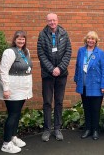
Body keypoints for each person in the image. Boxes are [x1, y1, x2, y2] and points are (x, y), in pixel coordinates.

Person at [37, 13, 72, 142]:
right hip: (47, 75)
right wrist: (52, 69)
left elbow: (68, 52)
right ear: (47, 22)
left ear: (57, 21)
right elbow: (41, 53)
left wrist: (60, 68)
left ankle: (57, 129)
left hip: (61, 74)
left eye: (54, 20)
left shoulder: (64, 33)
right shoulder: (42, 34)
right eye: (50, 20)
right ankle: (47, 130)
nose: (52, 22)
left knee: (59, 101)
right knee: (47, 102)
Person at [0, 30, 33, 154]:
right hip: (12, 89)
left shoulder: (25, 51)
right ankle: (6, 143)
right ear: (14, 40)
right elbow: (3, 71)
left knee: (17, 114)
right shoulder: (9, 52)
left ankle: (13, 137)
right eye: (19, 39)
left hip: (22, 89)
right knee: (13, 114)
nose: (21, 41)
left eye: (23, 39)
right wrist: (6, 89)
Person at [74, 31, 104, 140]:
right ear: (86, 40)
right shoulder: (81, 51)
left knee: (95, 109)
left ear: (96, 41)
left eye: (93, 39)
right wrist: (77, 79)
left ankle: (95, 130)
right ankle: (87, 129)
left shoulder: (100, 53)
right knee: (86, 109)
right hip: (84, 85)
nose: (90, 41)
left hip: (96, 86)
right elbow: (77, 66)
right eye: (89, 38)